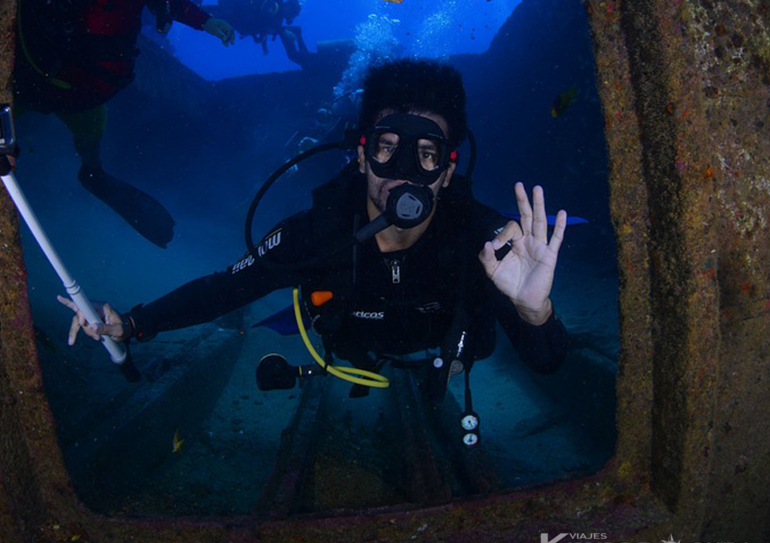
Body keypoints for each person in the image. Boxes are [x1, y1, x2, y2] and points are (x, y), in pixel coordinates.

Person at [60, 58, 569, 402]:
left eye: (428, 154)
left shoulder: (487, 241)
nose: (406, 172)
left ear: (448, 172)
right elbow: (225, 288)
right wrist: (132, 323)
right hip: (355, 348)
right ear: (362, 156)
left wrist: (533, 311)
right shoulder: (318, 233)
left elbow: (548, 363)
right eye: (389, 148)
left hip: (449, 350)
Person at [13, 0, 235, 248]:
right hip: (36, 81)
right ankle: (91, 171)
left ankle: (92, 172)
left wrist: (204, 20)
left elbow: (169, 3)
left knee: (92, 133)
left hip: (82, 93)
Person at [210, 0, 312, 66]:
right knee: (216, 15)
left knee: (214, 15)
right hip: (236, 12)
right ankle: (196, 10)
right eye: (292, 13)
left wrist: (264, 39)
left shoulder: (278, 18)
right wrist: (282, 31)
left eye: (294, 15)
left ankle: (198, 10)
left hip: (238, 19)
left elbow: (264, 24)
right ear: (288, 7)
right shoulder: (275, 4)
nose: (291, 17)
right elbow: (265, 15)